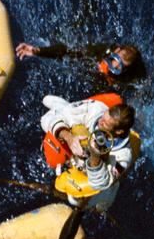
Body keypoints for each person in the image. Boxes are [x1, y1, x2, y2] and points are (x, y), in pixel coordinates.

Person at [40, 94, 136, 209]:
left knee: (77, 202)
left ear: (119, 132)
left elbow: (102, 183)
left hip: (96, 177)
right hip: (76, 154)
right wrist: (69, 137)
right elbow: (46, 120)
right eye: (102, 118)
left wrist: (95, 157)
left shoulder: (123, 155)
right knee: (50, 113)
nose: (100, 121)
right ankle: (62, 106)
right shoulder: (96, 110)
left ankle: (102, 207)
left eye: (104, 124)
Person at [16, 38, 146, 88]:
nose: (113, 68)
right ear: (115, 51)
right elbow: (66, 50)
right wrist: (38, 51)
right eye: (114, 61)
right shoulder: (98, 52)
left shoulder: (128, 78)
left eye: (120, 68)